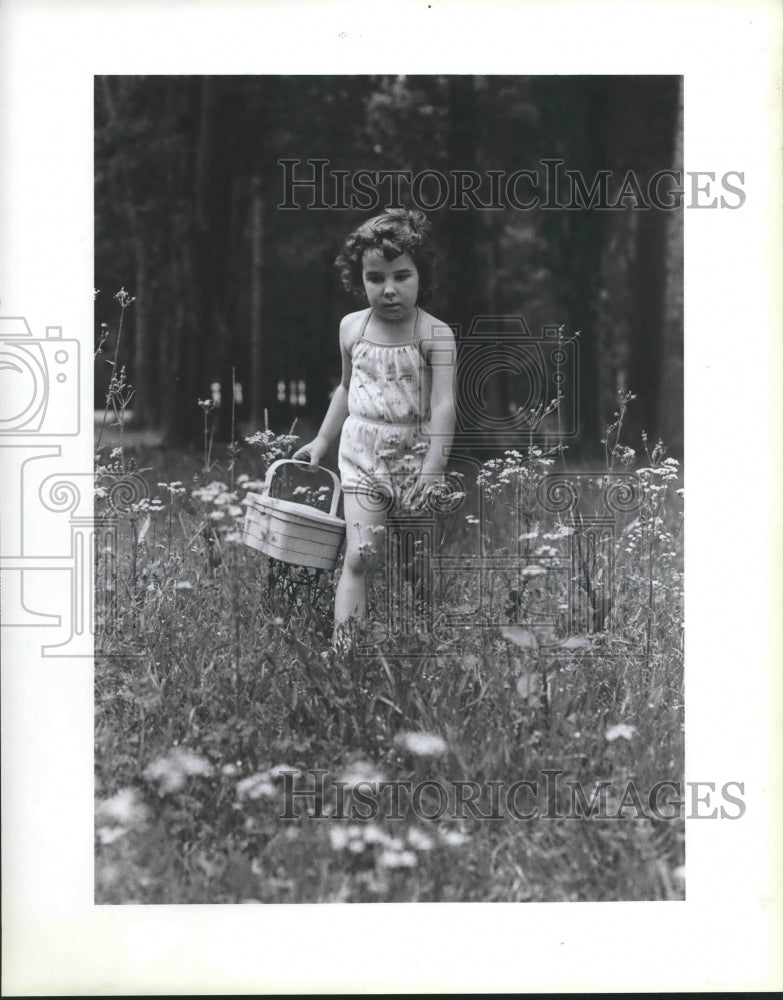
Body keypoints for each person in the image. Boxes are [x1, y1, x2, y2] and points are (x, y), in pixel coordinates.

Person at [293, 208, 456, 643]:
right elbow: (346, 388)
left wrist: (434, 467)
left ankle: (424, 639)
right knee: (360, 555)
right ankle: (346, 647)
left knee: (415, 562)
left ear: (421, 275)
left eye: (402, 276)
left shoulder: (435, 334)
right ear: (359, 278)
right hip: (362, 452)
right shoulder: (352, 327)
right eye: (375, 278)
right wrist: (322, 439)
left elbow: (443, 404)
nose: (388, 290)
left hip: (416, 456)